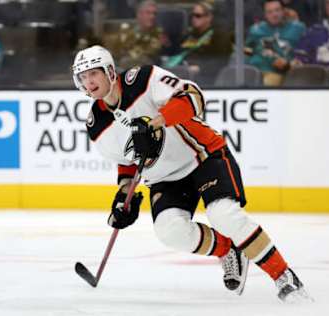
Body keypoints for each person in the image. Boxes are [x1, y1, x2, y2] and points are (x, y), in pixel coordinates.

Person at [72, 45, 312, 302]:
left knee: (224, 215)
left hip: (203, 156)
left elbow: (194, 97)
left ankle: (284, 277)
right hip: (164, 177)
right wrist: (123, 195)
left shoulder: (142, 79)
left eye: (94, 73)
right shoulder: (96, 124)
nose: (89, 81)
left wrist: (154, 123)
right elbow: (127, 160)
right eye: (83, 77)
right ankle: (228, 250)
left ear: (109, 71)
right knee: (170, 231)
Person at [165, 1, 233, 85]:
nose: (194, 18)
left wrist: (200, 68)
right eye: (192, 15)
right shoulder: (188, 35)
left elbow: (221, 61)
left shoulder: (219, 36)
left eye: (198, 16)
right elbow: (175, 54)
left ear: (209, 17)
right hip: (180, 74)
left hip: (206, 79)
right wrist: (166, 45)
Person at [245, 0, 306, 86]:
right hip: (255, 71)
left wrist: (290, 63)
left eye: (277, 10)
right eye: (269, 12)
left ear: (284, 11)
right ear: (265, 15)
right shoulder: (256, 29)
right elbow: (247, 51)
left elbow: (304, 53)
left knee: (270, 81)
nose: (274, 15)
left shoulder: (298, 28)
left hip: (282, 73)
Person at [103, 0, 169, 70]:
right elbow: (115, 56)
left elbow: (166, 57)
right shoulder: (127, 34)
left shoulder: (159, 34)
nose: (152, 16)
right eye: (148, 13)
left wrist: (165, 45)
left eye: (154, 13)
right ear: (139, 14)